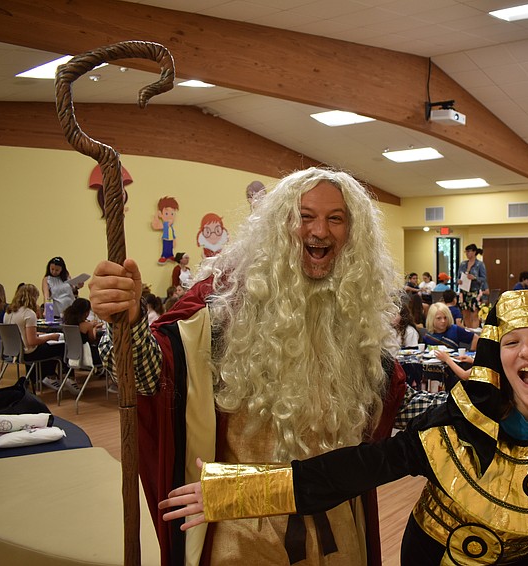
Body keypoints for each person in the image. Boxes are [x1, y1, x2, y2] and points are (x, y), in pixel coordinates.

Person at [161, 289, 528, 565]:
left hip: (521, 558)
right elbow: (357, 470)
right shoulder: (458, 422)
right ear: (497, 355)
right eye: (512, 342)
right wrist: (237, 491)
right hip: (435, 556)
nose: (526, 352)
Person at [89, 167, 445, 566]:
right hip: (241, 529)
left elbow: (391, 403)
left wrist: (467, 405)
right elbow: (146, 376)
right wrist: (125, 323)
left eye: (336, 218)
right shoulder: (224, 305)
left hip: (336, 528)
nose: (320, 231)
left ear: (353, 233)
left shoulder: (356, 314)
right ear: (280, 224)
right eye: (305, 216)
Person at [4, 284, 68, 391]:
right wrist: (50, 336)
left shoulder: (8, 312)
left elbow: (20, 332)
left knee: (46, 345)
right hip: (29, 352)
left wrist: (39, 334)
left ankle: (37, 378)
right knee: (61, 347)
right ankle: (51, 376)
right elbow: (32, 341)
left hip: (15, 351)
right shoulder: (29, 314)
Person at [62, 297, 104, 366]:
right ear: (86, 313)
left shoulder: (67, 324)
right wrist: (94, 328)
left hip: (72, 356)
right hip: (87, 356)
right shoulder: (87, 325)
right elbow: (92, 340)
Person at [457, 244, 488, 326]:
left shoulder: (480, 264)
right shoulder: (463, 264)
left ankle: (474, 330)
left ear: (474, 252)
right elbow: (458, 277)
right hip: (463, 291)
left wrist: (474, 278)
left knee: (474, 314)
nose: (467, 254)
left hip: (474, 292)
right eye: (466, 252)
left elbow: (484, 279)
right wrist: (458, 281)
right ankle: (467, 330)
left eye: (469, 251)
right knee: (465, 314)